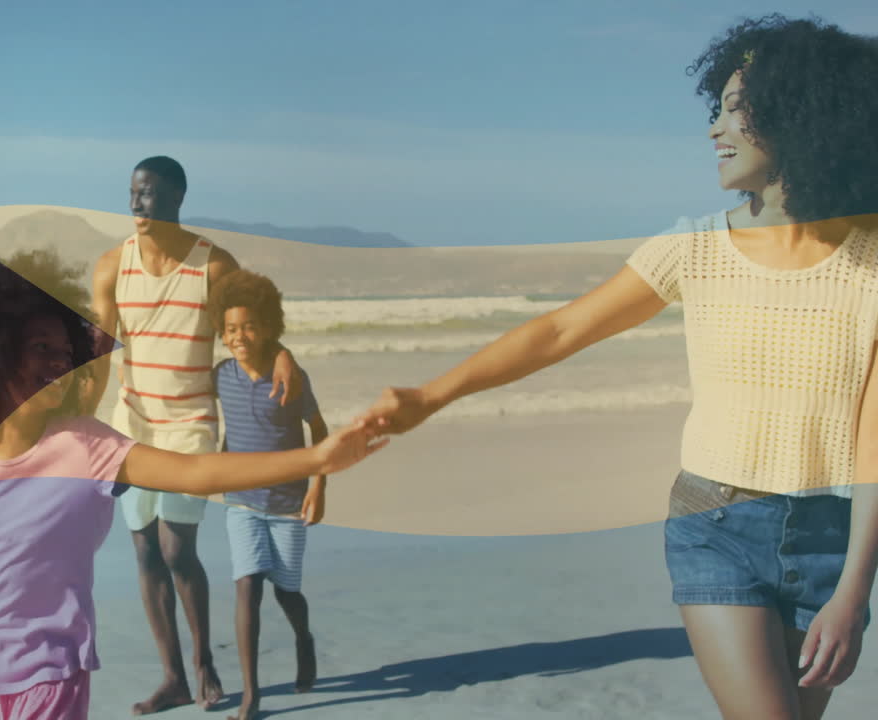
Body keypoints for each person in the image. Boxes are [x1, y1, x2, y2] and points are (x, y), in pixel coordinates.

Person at [357, 15, 878, 720]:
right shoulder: (693, 247)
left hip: (829, 539)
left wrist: (853, 592)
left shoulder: (869, 264)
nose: (713, 130)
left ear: (799, 116)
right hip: (713, 522)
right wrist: (433, 393)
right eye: (715, 109)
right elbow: (561, 328)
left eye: (734, 109)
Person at [0, 250, 385, 720]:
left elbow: (197, 472)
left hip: (48, 672)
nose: (59, 361)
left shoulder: (87, 445)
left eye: (65, 351)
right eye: (41, 348)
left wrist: (313, 458)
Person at [85, 156, 305, 713]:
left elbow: (253, 320)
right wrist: (76, 419)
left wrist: (281, 357)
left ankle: (204, 659)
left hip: (190, 428)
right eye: (133, 192)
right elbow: (95, 358)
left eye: (150, 193)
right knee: (144, 552)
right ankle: (173, 676)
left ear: (178, 198)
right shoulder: (113, 266)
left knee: (176, 548)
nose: (137, 204)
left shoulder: (211, 267)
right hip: (133, 427)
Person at [208, 269, 327, 720]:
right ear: (222, 332)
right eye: (232, 329)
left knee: (287, 590)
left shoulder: (292, 378)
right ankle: (251, 693)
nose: (240, 336)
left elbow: (319, 431)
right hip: (242, 502)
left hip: (288, 503)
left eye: (250, 326)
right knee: (246, 586)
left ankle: (304, 639)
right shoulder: (220, 376)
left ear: (269, 327)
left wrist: (320, 485)